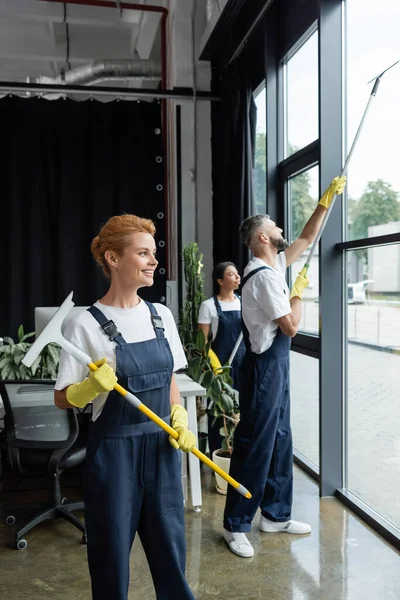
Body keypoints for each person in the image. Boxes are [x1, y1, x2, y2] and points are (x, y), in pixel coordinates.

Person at [54, 214, 196, 600]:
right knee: (111, 555)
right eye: (143, 253)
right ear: (114, 259)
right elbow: (62, 396)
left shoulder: (160, 316)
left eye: (154, 253)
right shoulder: (84, 324)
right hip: (114, 454)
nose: (153, 261)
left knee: (171, 551)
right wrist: (87, 388)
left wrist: (179, 416)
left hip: (163, 446)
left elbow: (170, 379)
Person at [223, 176, 346, 558]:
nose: (280, 229)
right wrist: (298, 295)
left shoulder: (274, 267)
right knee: (254, 444)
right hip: (264, 369)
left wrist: (325, 202)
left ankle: (275, 516)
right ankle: (235, 523)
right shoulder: (262, 278)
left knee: (280, 439)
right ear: (262, 238)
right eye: (274, 226)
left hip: (275, 369)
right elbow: (290, 328)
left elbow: (307, 240)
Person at [198, 262, 245, 457]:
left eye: (237, 273)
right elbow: (202, 343)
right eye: (231, 274)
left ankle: (240, 456)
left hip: (244, 365)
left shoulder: (245, 303)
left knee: (242, 411)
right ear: (220, 281)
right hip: (220, 369)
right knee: (218, 413)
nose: (237, 277)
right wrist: (216, 369)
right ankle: (218, 457)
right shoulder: (208, 306)